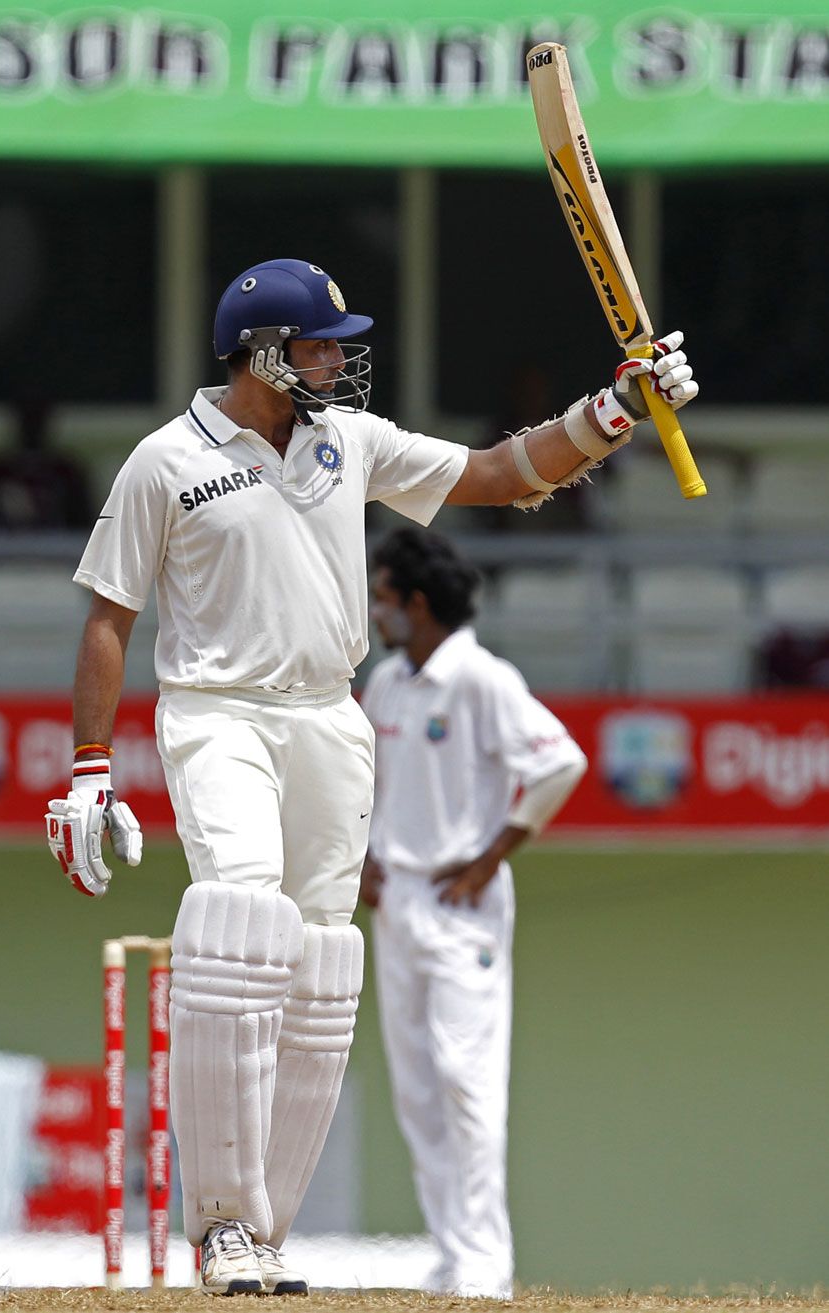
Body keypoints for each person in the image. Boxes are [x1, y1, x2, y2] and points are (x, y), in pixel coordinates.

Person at [42, 258, 697, 1296]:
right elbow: (109, 617)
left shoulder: (349, 442)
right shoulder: (165, 461)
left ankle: (263, 1228)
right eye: (319, 344)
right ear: (263, 355)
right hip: (220, 711)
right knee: (239, 921)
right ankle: (216, 1224)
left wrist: (615, 408)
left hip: (328, 714)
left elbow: (500, 472)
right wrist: (87, 771)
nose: (340, 360)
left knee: (318, 961)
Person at [359, 527, 587, 1300]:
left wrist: (495, 854)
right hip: (398, 898)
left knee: (467, 1077)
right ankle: (453, 1253)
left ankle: (486, 1265)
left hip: (464, 900)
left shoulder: (483, 678)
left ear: (417, 603)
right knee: (416, 1085)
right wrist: (361, 854)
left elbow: (561, 761)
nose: (375, 612)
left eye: (383, 597)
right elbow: (363, 781)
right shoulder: (386, 683)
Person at [0, 396, 94, 532]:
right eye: (27, 418)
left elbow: (83, 527)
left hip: (54, 551)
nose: (32, 424)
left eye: (37, 419)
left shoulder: (66, 472)